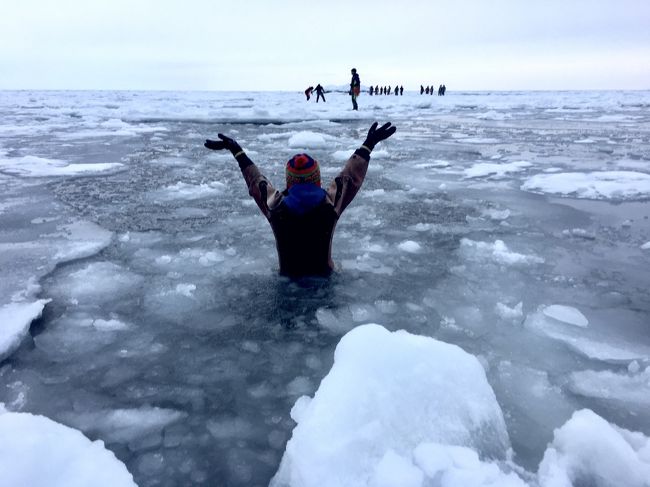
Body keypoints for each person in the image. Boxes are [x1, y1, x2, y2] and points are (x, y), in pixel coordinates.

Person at [203, 122, 397, 277]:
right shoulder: (330, 203)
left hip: (287, 283)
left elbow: (256, 182)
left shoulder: (275, 206)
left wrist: (237, 151)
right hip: (325, 282)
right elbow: (349, 177)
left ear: (289, 180)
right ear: (316, 178)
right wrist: (368, 145)